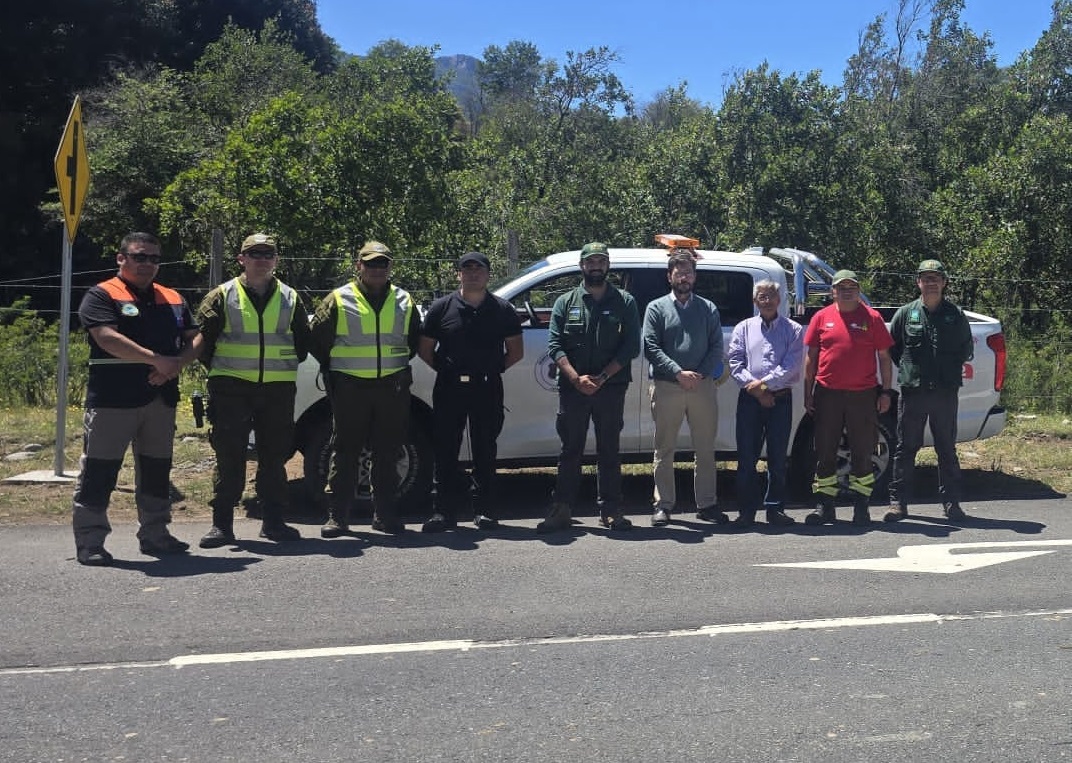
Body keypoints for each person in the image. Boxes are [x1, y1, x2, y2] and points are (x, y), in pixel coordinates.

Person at [71, 232, 201, 566]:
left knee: (157, 471)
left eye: (154, 259)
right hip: (113, 400)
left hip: (160, 400)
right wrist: (156, 359)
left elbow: (196, 338)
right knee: (99, 472)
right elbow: (107, 338)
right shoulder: (101, 294)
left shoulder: (172, 297)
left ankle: (156, 535)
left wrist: (174, 366)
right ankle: (91, 541)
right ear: (121, 258)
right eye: (140, 257)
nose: (147, 264)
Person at [194, 233, 311, 548]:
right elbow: (203, 344)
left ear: (275, 260)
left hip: (277, 390)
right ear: (241, 259)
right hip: (231, 389)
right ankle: (222, 526)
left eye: (267, 254)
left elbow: (302, 345)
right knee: (229, 456)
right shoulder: (221, 296)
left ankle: (273, 523)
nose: (261, 259)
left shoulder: (291, 297)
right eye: (255, 253)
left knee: (274, 458)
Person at [309, 240, 420, 536]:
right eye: (370, 263)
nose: (376, 269)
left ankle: (385, 515)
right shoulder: (338, 299)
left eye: (382, 263)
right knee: (345, 451)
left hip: (392, 387)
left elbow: (412, 342)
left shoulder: (404, 300)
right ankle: (337, 517)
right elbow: (318, 340)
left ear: (390, 267)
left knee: (388, 451)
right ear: (358, 266)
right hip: (350, 388)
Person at [536, 241, 640, 533]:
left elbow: (631, 346)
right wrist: (575, 378)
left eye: (601, 261)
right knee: (570, 449)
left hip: (611, 388)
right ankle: (562, 509)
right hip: (573, 389)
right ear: (582, 266)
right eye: (591, 262)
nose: (596, 266)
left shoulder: (625, 302)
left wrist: (602, 378)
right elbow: (555, 345)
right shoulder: (565, 302)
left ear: (608, 265)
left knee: (609, 450)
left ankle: (611, 510)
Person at [419, 252, 524, 532]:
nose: (473, 274)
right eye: (467, 269)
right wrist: (447, 369)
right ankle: (443, 512)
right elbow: (425, 349)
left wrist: (492, 369)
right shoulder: (441, 308)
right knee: (445, 449)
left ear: (489, 274)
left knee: (485, 449)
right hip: (450, 387)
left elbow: (515, 352)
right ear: (459, 275)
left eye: (479, 269)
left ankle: (485, 511)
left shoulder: (502, 310)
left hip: (487, 386)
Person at [885, 259, 974, 523]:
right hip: (914, 392)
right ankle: (898, 503)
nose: (931, 282)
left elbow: (965, 349)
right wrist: (913, 369)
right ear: (918, 282)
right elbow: (895, 348)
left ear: (944, 282)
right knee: (905, 448)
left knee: (946, 449)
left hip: (945, 393)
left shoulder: (954, 314)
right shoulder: (905, 313)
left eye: (936, 278)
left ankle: (952, 504)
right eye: (926, 278)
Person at [802, 269, 894, 526]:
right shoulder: (821, 317)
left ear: (858, 289)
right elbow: (811, 357)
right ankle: (824, 506)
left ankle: (861, 507)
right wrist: (807, 392)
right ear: (832, 291)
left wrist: (885, 391)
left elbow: (884, 359)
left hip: (862, 395)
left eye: (851, 287)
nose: (846, 291)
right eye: (841, 287)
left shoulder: (872, 318)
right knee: (825, 451)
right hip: (827, 393)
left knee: (863, 451)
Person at [642, 251, 727, 527]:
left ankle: (707, 504)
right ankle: (663, 505)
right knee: (664, 449)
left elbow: (716, 346)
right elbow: (651, 347)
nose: (684, 277)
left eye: (688, 272)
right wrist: (678, 372)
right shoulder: (656, 308)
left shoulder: (708, 308)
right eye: (679, 273)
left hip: (702, 386)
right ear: (670, 277)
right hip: (668, 386)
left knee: (705, 448)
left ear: (695, 276)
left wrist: (699, 374)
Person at [727, 279, 804, 528]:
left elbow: (791, 366)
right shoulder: (743, 328)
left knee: (778, 457)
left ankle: (775, 509)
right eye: (762, 296)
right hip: (750, 401)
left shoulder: (793, 330)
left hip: (780, 400)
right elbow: (735, 363)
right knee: (746, 457)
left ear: (779, 300)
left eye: (772, 295)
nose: (767, 300)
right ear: (754, 300)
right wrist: (759, 391)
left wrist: (763, 386)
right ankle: (746, 511)